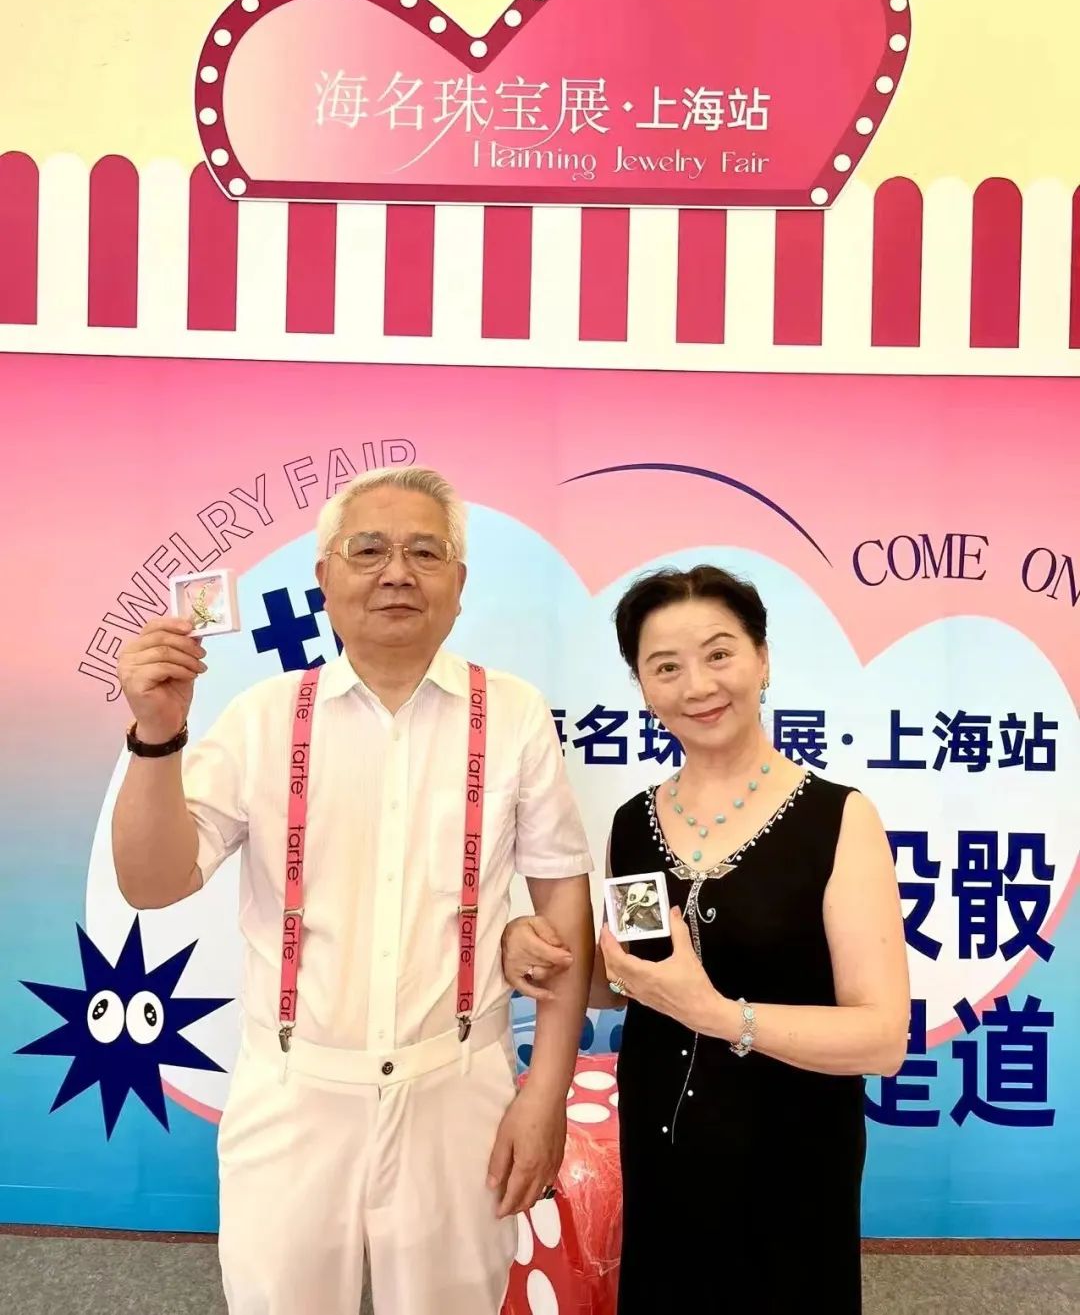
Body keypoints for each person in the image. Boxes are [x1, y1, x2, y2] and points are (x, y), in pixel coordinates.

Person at [113, 466, 595, 1315]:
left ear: (459, 584)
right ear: (325, 578)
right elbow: (151, 883)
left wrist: (545, 1094)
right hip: (294, 1095)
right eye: (368, 550)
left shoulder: (515, 714)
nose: (397, 572)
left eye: (425, 552)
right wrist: (158, 735)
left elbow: (563, 910)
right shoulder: (263, 717)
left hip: (459, 1089)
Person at [503, 564, 909, 1314]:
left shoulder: (839, 820)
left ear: (762, 659)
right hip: (661, 1149)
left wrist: (718, 1014)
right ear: (643, 687)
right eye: (666, 667)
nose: (697, 685)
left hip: (794, 1159)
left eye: (719, 653)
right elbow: (629, 975)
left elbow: (882, 1038)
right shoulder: (635, 822)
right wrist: (531, 947)